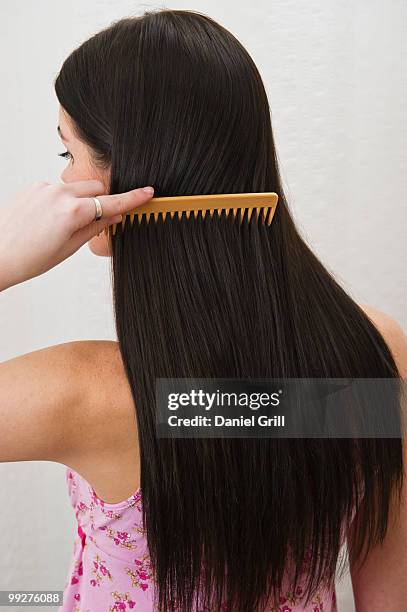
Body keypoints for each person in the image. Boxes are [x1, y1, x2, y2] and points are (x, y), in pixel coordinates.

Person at [1, 8, 407, 612]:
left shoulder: (78, 397)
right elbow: (389, 593)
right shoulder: (374, 354)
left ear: (122, 180)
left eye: (68, 154)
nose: (61, 180)